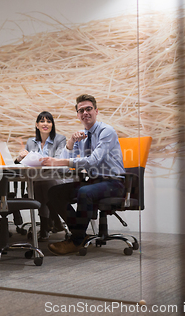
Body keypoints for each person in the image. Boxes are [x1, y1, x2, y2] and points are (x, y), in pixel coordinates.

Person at [39, 94, 125, 255]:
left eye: (88, 109)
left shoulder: (107, 132)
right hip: (93, 181)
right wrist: (70, 144)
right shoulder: (81, 136)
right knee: (54, 192)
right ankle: (80, 235)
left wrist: (58, 162)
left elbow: (93, 161)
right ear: (78, 115)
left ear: (96, 111)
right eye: (81, 110)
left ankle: (76, 240)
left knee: (84, 192)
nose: (85, 112)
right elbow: (68, 165)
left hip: (113, 183)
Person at [14, 111, 66, 241]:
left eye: (49, 121)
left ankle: (45, 227)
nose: (45, 124)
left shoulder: (60, 139)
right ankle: (53, 222)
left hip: (56, 178)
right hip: (37, 179)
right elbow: (22, 163)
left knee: (43, 185)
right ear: (37, 125)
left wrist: (40, 159)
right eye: (42, 121)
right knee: (41, 184)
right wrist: (20, 157)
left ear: (52, 125)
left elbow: (59, 159)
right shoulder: (31, 142)